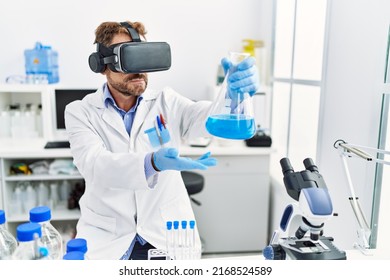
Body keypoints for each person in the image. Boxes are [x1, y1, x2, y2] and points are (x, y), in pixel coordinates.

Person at [65, 20, 259, 260]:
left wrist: (232, 95)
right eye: (129, 59)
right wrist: (152, 163)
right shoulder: (80, 112)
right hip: (108, 237)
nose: (139, 69)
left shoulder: (167, 102)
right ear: (101, 65)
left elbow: (208, 118)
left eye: (144, 57)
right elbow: (95, 165)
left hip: (166, 234)